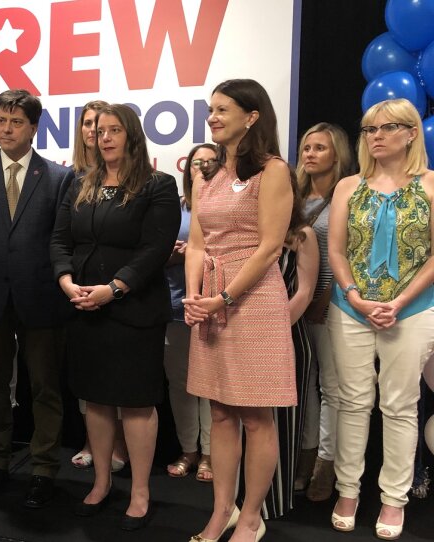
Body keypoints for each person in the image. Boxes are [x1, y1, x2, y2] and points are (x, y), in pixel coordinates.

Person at [51, 103, 180, 530]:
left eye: (114, 130)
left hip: (133, 308)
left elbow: (155, 249)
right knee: (97, 400)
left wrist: (115, 289)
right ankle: (102, 483)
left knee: (137, 403)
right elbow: (59, 240)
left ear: (132, 136)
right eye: (99, 130)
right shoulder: (81, 183)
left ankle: (140, 491)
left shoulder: (158, 184)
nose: (104, 137)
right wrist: (67, 281)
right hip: (85, 305)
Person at [184, 79, 295, 542]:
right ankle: (221, 511)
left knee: (254, 416)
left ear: (251, 116)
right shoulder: (205, 173)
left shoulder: (273, 171)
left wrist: (224, 297)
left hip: (252, 301)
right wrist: (195, 296)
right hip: (208, 301)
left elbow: (270, 248)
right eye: (211, 109)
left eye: (223, 109)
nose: (212, 117)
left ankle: (252, 516)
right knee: (221, 414)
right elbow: (196, 243)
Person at [328, 98, 434, 541]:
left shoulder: (431, 185)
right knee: (352, 403)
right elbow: (336, 250)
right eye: (369, 129)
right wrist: (356, 296)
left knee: (399, 404)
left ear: (411, 133)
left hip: (411, 310)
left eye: (386, 128)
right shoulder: (348, 186)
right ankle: (347, 490)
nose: (375, 136)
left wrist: (399, 300)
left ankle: (394, 499)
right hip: (351, 308)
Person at [0, 89, 74, 508]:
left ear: (33, 127)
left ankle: (44, 467)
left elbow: (61, 238)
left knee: (45, 388)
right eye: (1, 121)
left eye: (15, 122)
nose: (6, 129)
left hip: (42, 297)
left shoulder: (58, 177)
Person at [293, 122, 354, 500]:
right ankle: (305, 453)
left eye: (320, 148)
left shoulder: (346, 194)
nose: (310, 154)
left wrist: (324, 299)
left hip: (333, 306)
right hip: (294, 306)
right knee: (302, 386)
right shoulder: (292, 196)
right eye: (306, 147)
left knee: (332, 388)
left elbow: (346, 255)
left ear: (337, 154)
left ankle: (326, 466)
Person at [68, 99, 130, 473]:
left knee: (121, 382)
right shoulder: (72, 178)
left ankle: (118, 444)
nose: (95, 131)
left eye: (102, 125)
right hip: (79, 293)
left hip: (122, 294)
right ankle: (93, 442)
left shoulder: (137, 180)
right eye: (89, 124)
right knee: (88, 385)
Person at [258, 170, 318, 520]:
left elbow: (305, 292)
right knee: (249, 422)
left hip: (287, 339)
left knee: (279, 424)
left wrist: (272, 329)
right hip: (251, 337)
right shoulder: (255, 234)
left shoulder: (302, 235)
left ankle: (273, 504)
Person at [165, 143, 217, 482]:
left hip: (215, 308)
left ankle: (212, 455)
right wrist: (173, 255)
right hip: (175, 309)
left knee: (211, 386)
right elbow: (153, 255)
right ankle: (188, 450)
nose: (203, 168)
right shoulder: (175, 209)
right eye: (197, 163)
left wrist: (197, 255)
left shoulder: (230, 207)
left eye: (211, 162)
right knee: (180, 384)